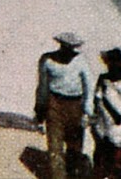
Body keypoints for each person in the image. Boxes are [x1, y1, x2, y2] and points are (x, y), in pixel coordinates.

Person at [35, 31, 93, 179]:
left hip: (75, 105)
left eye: (71, 47)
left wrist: (87, 111)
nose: (68, 50)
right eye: (65, 46)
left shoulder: (81, 62)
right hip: (55, 103)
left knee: (74, 146)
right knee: (55, 147)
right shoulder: (47, 60)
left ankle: (73, 175)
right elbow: (42, 86)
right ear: (61, 45)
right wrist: (40, 107)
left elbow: (88, 86)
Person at [92, 47, 121, 179]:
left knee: (116, 168)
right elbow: (96, 100)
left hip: (118, 132)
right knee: (100, 165)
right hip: (102, 128)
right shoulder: (103, 79)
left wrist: (106, 98)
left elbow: (120, 114)